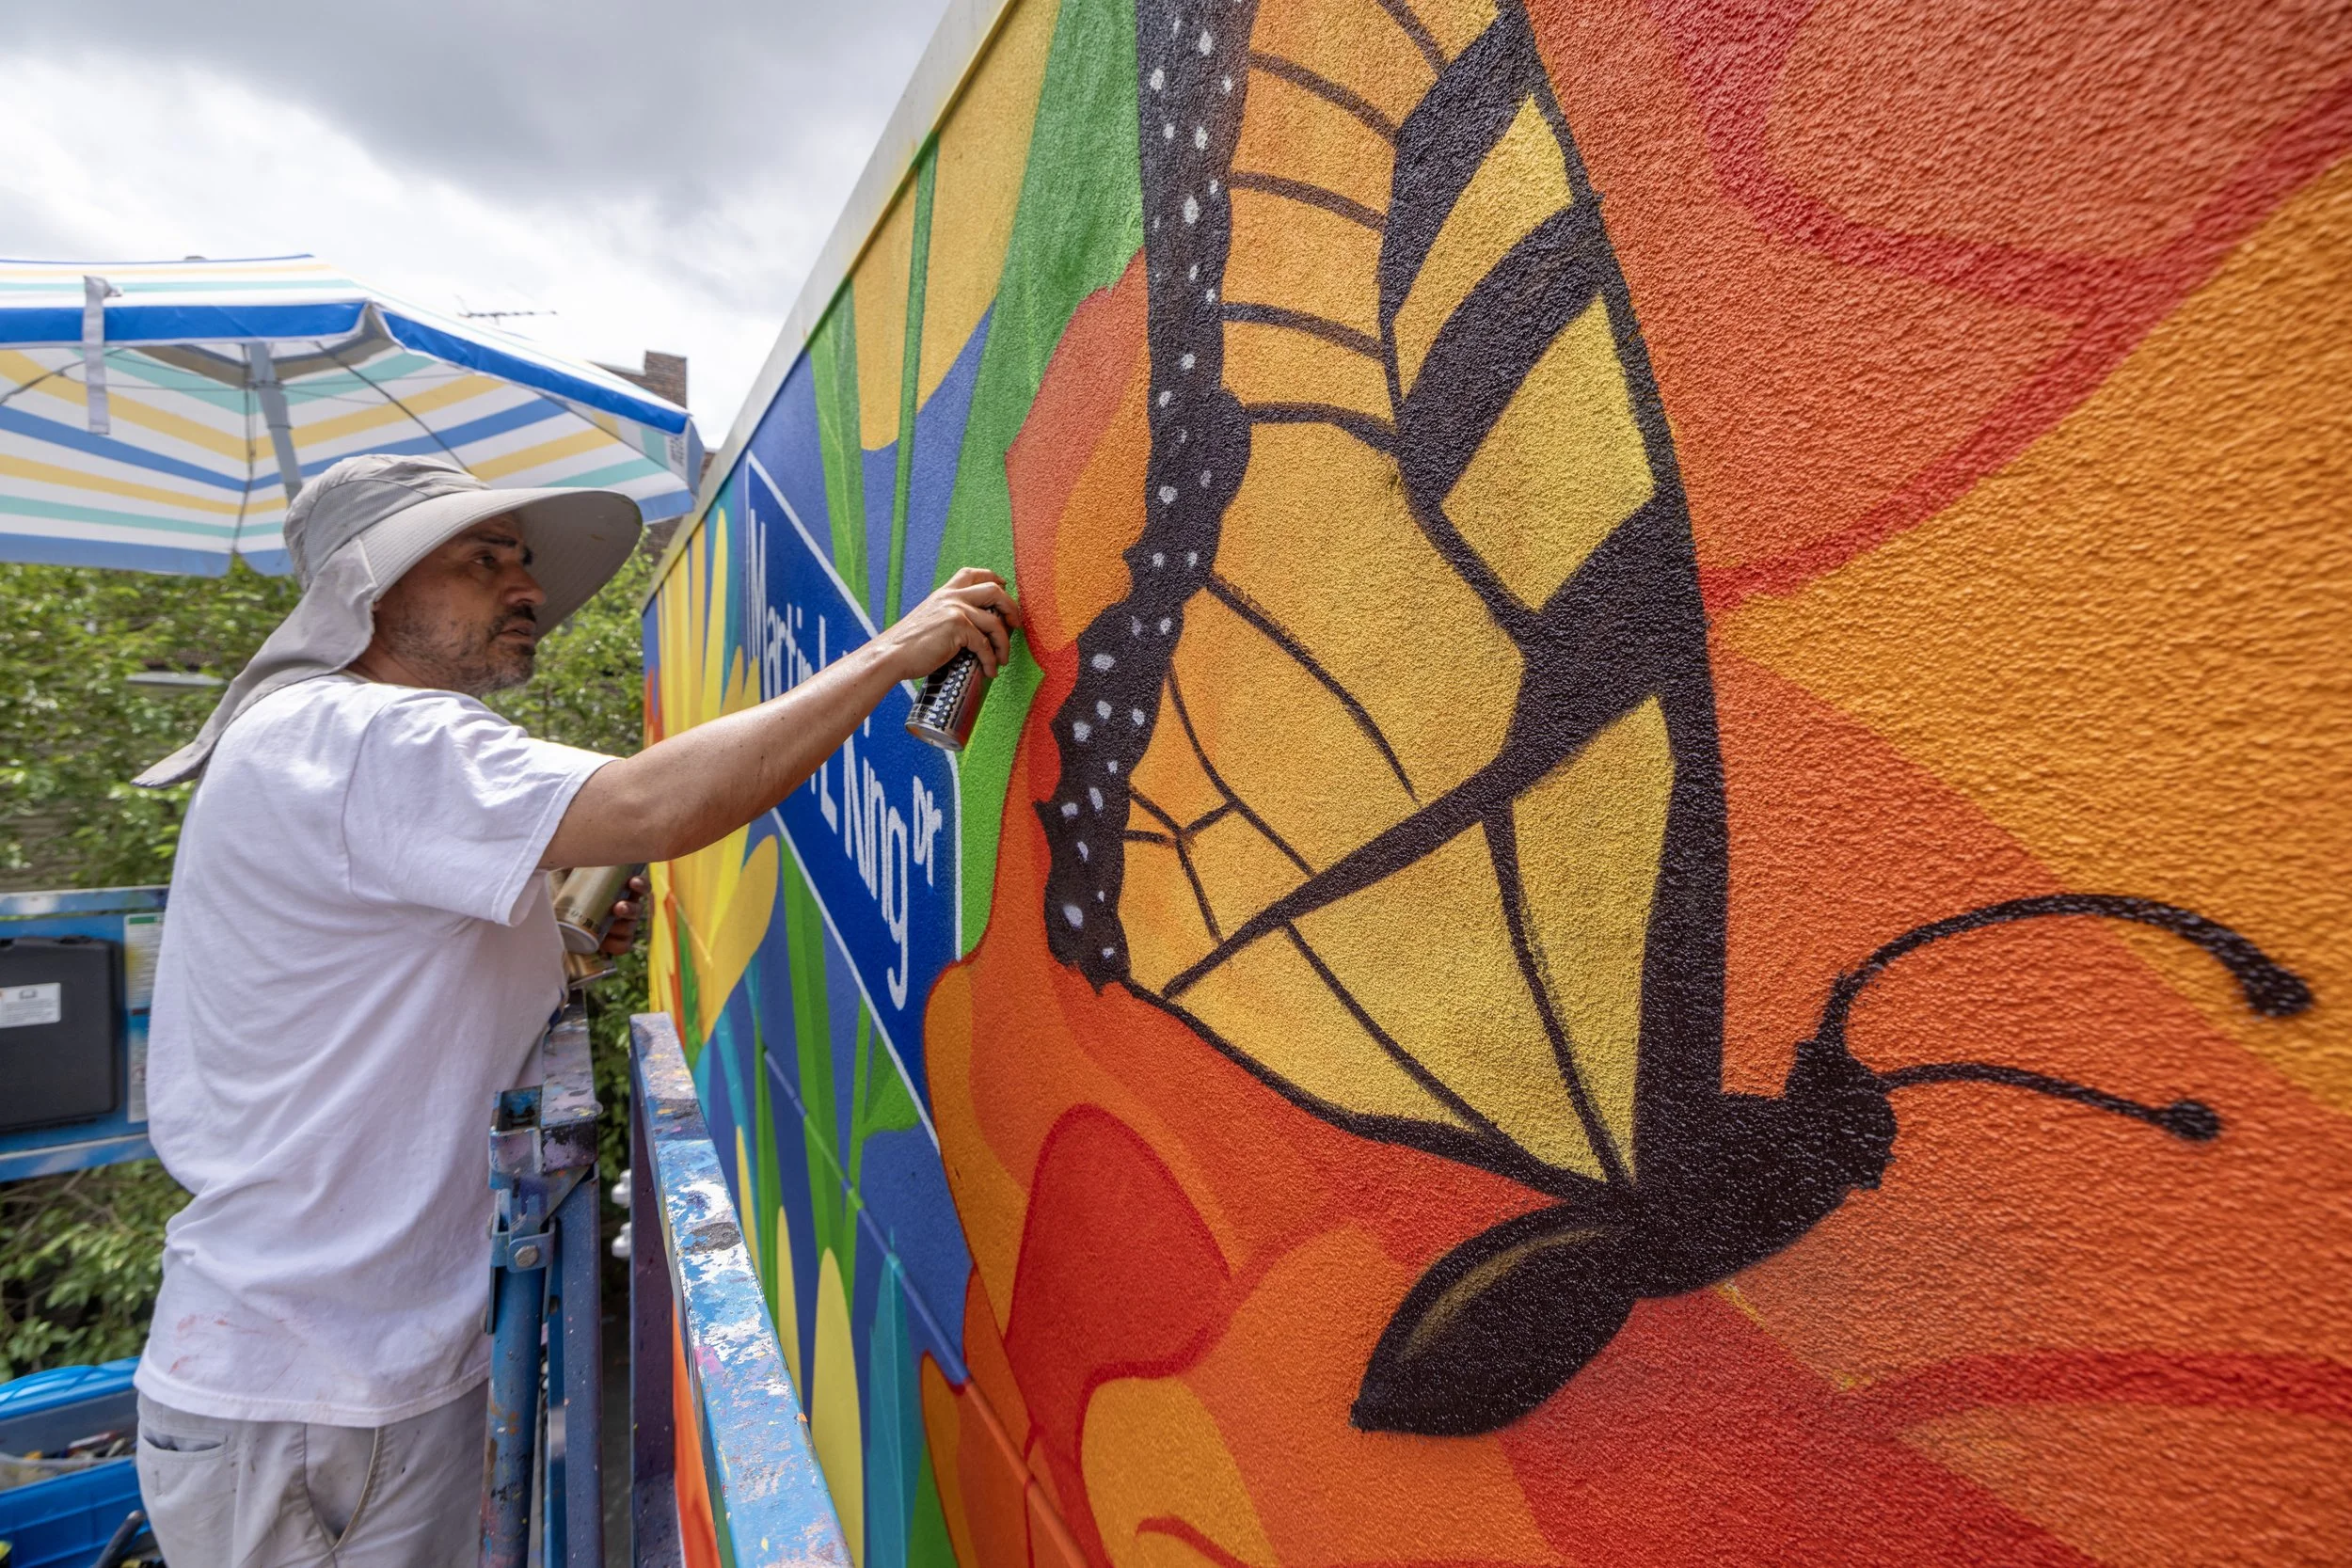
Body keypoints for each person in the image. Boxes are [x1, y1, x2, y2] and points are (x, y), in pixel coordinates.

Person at [128, 452, 1015, 1567]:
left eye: (524, 560)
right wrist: (893, 655)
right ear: (372, 589)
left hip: (318, 1365)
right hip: (319, 1393)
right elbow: (653, 803)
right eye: (483, 557)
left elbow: (362, 986)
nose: (530, 587)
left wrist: (560, 949)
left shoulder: (312, 740)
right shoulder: (370, 736)